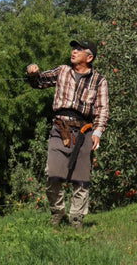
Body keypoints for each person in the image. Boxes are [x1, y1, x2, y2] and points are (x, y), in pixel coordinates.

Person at [26, 38, 109, 228]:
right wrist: (32, 71)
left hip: (84, 131)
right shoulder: (62, 71)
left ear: (89, 57)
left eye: (79, 49)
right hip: (60, 128)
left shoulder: (99, 81)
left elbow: (103, 109)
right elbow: (38, 82)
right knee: (52, 174)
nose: (74, 51)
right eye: (74, 48)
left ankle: (76, 219)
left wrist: (97, 132)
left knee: (81, 179)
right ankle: (58, 211)